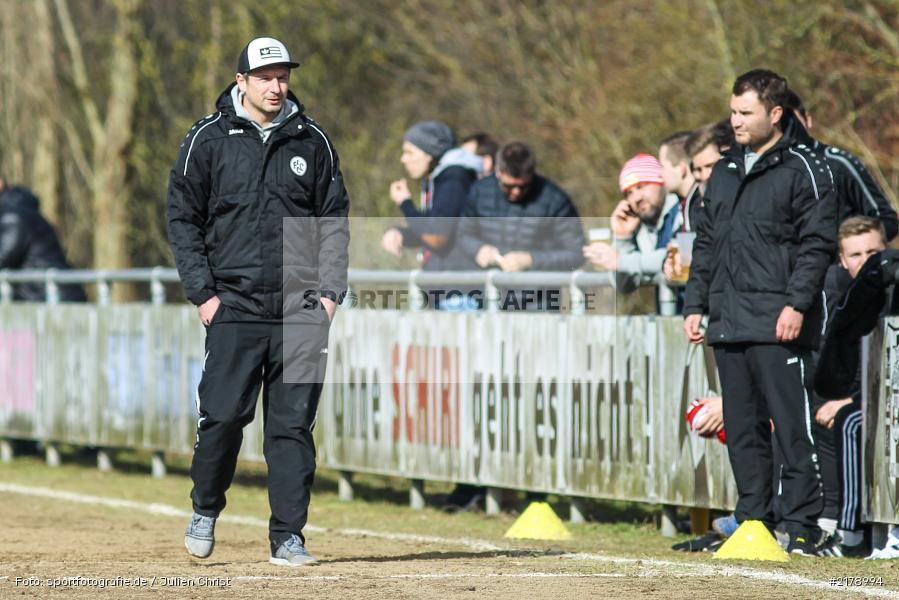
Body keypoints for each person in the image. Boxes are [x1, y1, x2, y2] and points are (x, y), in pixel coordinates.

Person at [166, 36, 350, 566]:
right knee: (223, 418)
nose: (275, 86)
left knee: (292, 429)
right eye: (265, 77)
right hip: (234, 307)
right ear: (241, 80)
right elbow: (183, 219)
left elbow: (333, 221)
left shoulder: (312, 141)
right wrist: (204, 294)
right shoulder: (207, 139)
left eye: (283, 77)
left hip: (301, 310)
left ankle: (288, 537)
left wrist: (329, 293)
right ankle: (205, 507)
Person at [683, 69, 837, 555]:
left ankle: (804, 524)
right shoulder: (724, 170)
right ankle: (754, 519)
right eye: (732, 112)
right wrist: (696, 303)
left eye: (745, 113)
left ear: (774, 113)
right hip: (729, 321)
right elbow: (706, 243)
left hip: (779, 322)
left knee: (792, 428)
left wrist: (797, 304)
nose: (735, 122)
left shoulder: (805, 167)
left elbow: (816, 245)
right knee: (743, 430)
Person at [455, 141, 584, 309]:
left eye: (523, 186)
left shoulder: (555, 199)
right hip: (487, 297)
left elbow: (576, 253)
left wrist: (531, 260)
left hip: (538, 303)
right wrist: (477, 249)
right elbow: (462, 234)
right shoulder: (479, 191)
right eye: (509, 186)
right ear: (498, 172)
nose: (516, 192)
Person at [381, 121, 483, 282]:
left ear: (429, 154)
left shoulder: (453, 180)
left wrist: (405, 203)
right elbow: (434, 229)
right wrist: (402, 235)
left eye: (409, 152)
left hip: (458, 286)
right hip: (446, 282)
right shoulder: (439, 179)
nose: (403, 159)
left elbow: (436, 237)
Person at [583, 153, 681, 310]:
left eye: (641, 186)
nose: (636, 198)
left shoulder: (683, 210)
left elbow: (678, 259)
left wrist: (621, 260)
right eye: (629, 193)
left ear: (662, 182)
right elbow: (625, 285)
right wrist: (623, 237)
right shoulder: (642, 228)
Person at [0, 176, 86, 302]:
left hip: (52, 298)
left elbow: (3, 258)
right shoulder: (18, 210)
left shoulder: (14, 217)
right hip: (42, 296)